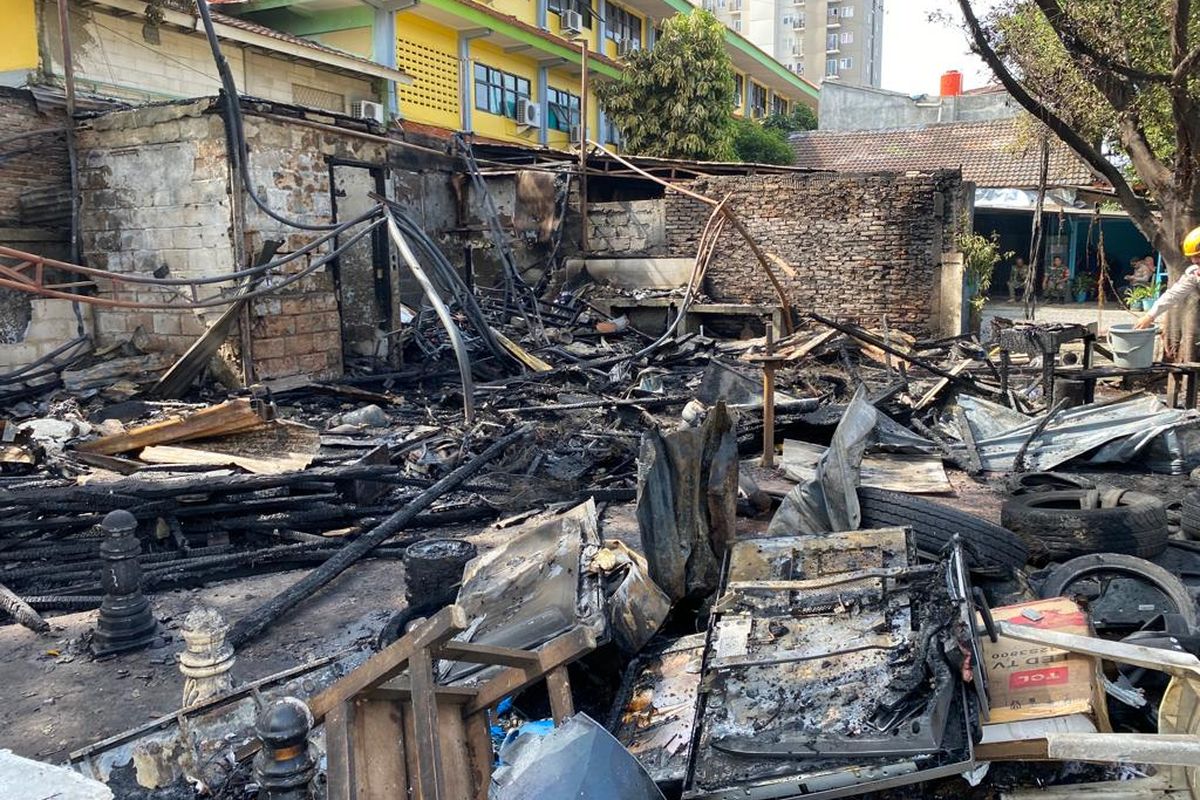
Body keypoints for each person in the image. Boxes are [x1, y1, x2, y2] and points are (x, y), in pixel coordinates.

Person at [1134, 228, 1200, 329]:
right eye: (1192, 257)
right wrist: (1149, 316)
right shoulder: (1194, 274)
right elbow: (1172, 295)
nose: (1195, 261)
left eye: (1198, 256)